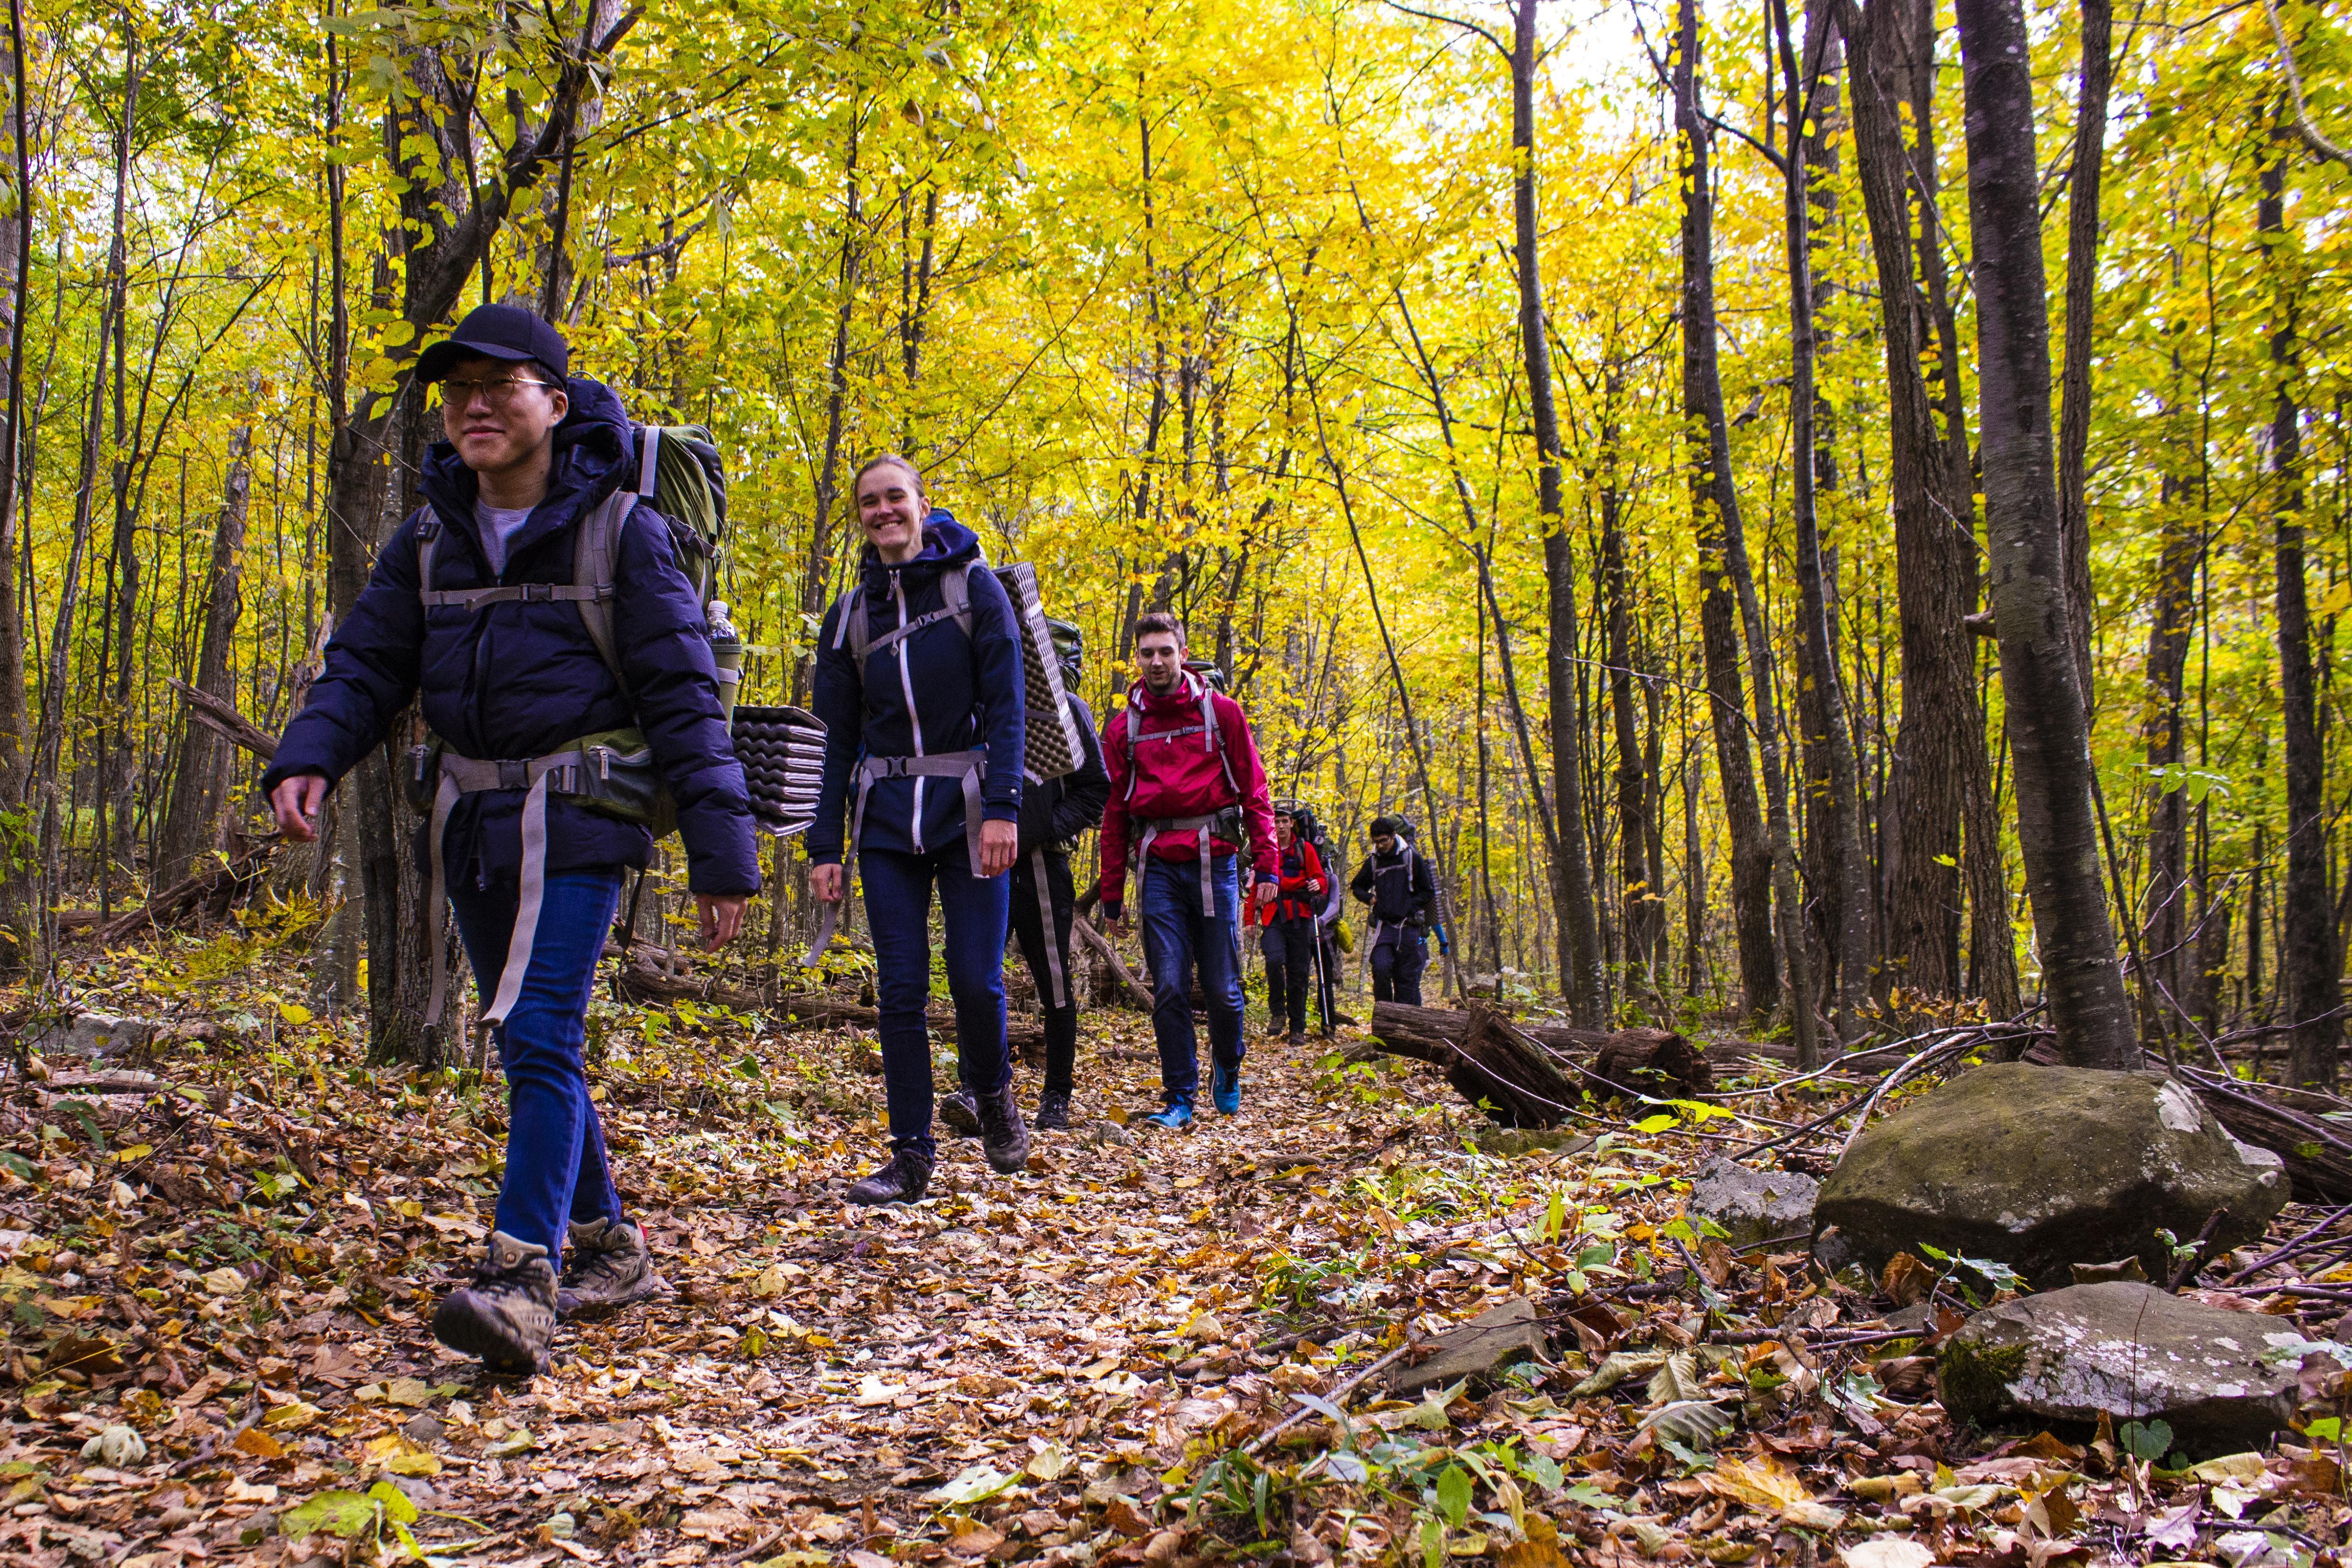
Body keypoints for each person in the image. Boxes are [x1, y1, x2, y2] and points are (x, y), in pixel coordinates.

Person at [261, 304, 758, 1375]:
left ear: (555, 404)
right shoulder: (430, 535)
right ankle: (610, 1246)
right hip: (473, 819)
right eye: (458, 390)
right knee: (531, 1041)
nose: (477, 404)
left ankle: (523, 1276)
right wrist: (309, 753)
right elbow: (366, 662)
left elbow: (681, 693)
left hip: (582, 814)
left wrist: (723, 849)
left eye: (503, 384)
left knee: (537, 1032)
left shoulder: (624, 530)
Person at [808, 454, 1028, 1205]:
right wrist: (823, 846)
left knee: (973, 977)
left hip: (967, 810)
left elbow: (1008, 706)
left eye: (893, 497)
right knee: (900, 990)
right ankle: (910, 1157)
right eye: (868, 503)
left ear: (922, 503)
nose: (882, 512)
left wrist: (1003, 809)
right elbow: (835, 737)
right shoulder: (849, 615)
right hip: (882, 819)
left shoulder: (975, 589)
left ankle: (993, 1090)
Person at [1099, 614, 1278, 1126]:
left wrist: (1266, 863)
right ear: (1137, 658)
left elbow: (1255, 792)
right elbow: (1114, 815)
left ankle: (1228, 1061)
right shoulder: (1124, 727)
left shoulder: (1221, 713)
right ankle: (1179, 1095)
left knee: (1223, 989)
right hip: (1157, 867)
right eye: (1147, 653)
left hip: (1216, 862)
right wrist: (1113, 894)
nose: (1156, 662)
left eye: (1165, 651)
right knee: (1171, 985)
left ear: (1182, 652)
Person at [943, 619, 1111, 1133]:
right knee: (974, 977)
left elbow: (1094, 789)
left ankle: (1057, 1095)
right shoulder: (977, 704)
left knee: (1054, 982)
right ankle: (978, 1090)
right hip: (974, 863)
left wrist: (1040, 829)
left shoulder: (1070, 714)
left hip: (1040, 866)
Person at [1257, 804, 1328, 1049]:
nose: (1281, 826)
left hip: (1300, 915)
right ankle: (1278, 1012)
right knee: (1274, 960)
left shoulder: (1304, 849)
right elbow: (1256, 884)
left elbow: (1320, 878)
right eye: (1276, 822)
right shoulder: (1267, 850)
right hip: (1273, 914)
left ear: (1292, 824)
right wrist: (1248, 919)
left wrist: (1318, 886)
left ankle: (1297, 1027)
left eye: (1285, 821)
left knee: (1298, 972)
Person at [1351, 814, 1437, 1006]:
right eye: (1376, 842)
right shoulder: (1374, 862)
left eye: (1384, 841)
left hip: (1409, 926)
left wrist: (1408, 905)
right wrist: (1369, 898)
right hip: (1385, 927)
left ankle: (1406, 1027)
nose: (1381, 845)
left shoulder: (1411, 858)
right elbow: (1357, 886)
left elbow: (1428, 891)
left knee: (1406, 980)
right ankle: (1384, 1016)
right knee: (1380, 968)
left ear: (1393, 836)